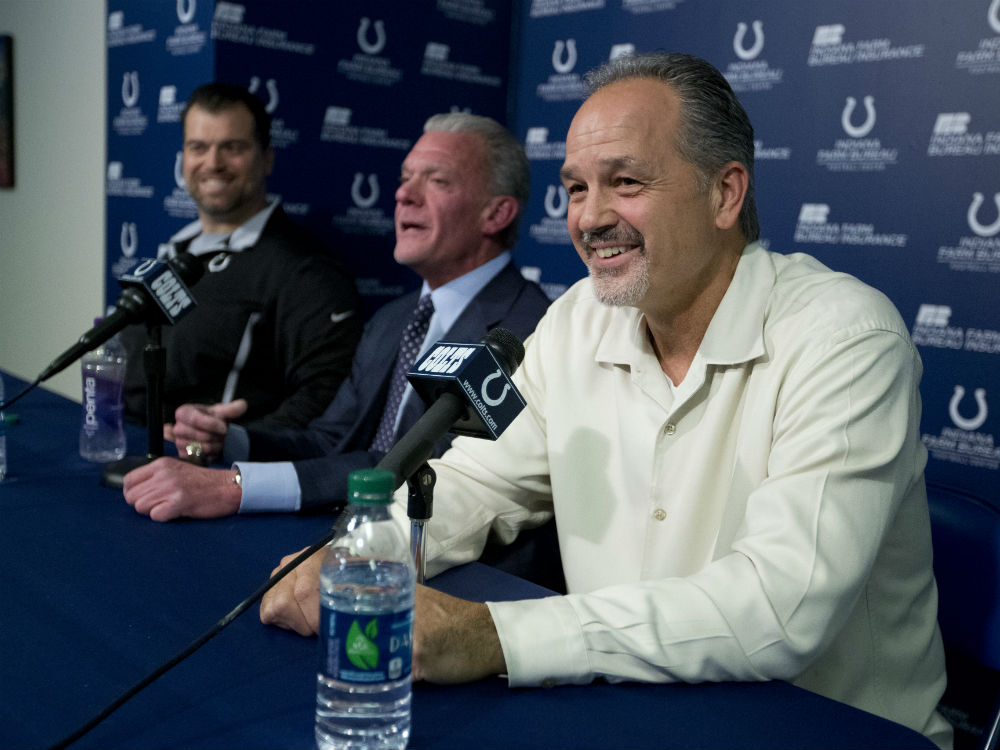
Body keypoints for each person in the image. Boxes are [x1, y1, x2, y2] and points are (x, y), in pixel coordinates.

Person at [258, 53, 953, 748]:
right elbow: (479, 482)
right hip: (629, 716)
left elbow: (779, 609)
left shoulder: (846, 337)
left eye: (625, 182)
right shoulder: (576, 320)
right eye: (575, 188)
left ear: (724, 194)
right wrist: (360, 555)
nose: (590, 218)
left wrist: (489, 635)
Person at [121, 112, 552, 524]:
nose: (404, 194)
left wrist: (238, 487)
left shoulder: (526, 329)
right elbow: (332, 439)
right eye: (405, 179)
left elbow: (428, 468)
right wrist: (232, 439)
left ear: (496, 214)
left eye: (437, 181)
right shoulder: (393, 319)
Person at [120, 82, 363, 434]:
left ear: (266, 158)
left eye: (232, 148)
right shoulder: (174, 251)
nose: (213, 163)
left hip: (219, 476)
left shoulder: (305, 269)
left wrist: (234, 442)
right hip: (133, 453)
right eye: (198, 147)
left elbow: (327, 398)